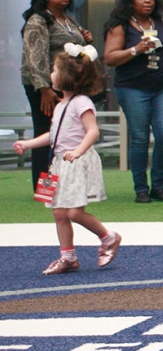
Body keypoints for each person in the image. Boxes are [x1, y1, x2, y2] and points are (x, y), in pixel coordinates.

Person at [12, 45, 121, 275]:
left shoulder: (82, 103)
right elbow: (54, 135)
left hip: (75, 162)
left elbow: (93, 131)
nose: (51, 74)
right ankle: (68, 256)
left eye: (54, 70)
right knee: (59, 212)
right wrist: (28, 144)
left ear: (68, 76)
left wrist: (79, 151)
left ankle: (109, 237)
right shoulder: (61, 104)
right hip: (60, 163)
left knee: (74, 212)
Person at [103, 0, 163, 203]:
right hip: (132, 88)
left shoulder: (156, 22)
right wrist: (135, 50)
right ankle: (141, 188)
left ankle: (159, 186)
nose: (147, 1)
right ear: (131, 1)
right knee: (140, 138)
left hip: (161, 86)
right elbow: (109, 57)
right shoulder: (120, 26)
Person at [20, 0, 92, 191]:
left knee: (69, 135)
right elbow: (34, 56)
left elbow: (69, 49)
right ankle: (45, 189)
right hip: (46, 87)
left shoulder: (67, 19)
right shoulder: (38, 20)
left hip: (69, 86)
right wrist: (44, 89)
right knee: (48, 135)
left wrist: (86, 41)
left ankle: (67, 185)